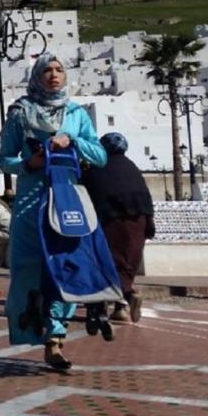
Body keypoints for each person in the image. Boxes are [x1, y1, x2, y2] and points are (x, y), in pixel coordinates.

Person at [0, 53, 107, 372]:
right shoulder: (21, 112)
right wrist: (27, 164)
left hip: (66, 196)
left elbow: (99, 155)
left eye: (59, 69)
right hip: (31, 199)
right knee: (27, 267)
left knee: (65, 265)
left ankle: (56, 339)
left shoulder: (76, 113)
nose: (54, 75)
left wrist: (72, 140)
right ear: (36, 75)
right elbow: (4, 159)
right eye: (47, 69)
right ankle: (30, 324)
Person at [81, 132, 155, 325]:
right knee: (126, 265)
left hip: (110, 220)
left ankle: (117, 301)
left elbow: (85, 195)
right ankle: (122, 306)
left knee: (103, 262)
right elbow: (146, 197)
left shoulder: (97, 168)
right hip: (139, 221)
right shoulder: (132, 167)